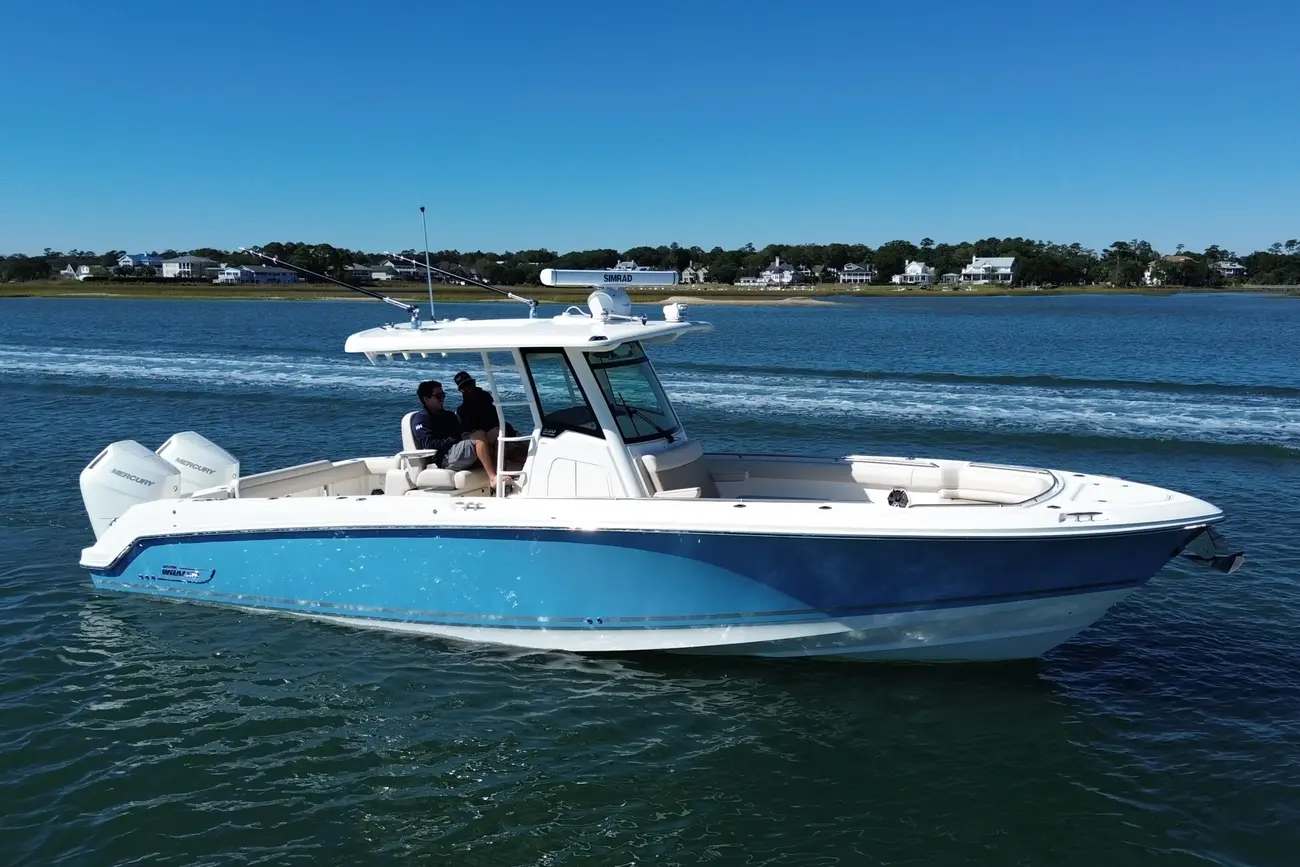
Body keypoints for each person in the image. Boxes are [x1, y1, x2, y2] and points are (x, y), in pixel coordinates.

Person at [410, 380, 480, 473]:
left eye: (443, 395)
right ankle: (492, 477)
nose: (442, 399)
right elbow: (430, 445)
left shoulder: (449, 416)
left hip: (457, 450)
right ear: (426, 399)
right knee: (480, 441)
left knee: (488, 436)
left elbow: (461, 432)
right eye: (438, 396)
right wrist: (453, 439)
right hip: (445, 457)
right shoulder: (421, 420)